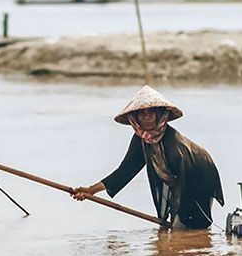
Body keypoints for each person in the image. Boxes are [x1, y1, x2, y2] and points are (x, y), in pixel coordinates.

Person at [72, 85, 224, 229]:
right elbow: (125, 171)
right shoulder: (141, 140)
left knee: (193, 222)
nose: (147, 118)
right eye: (142, 114)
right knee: (177, 223)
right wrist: (90, 190)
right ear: (135, 118)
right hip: (178, 181)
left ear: (159, 115)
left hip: (200, 175)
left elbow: (183, 185)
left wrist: (178, 220)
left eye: (151, 113)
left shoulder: (175, 145)